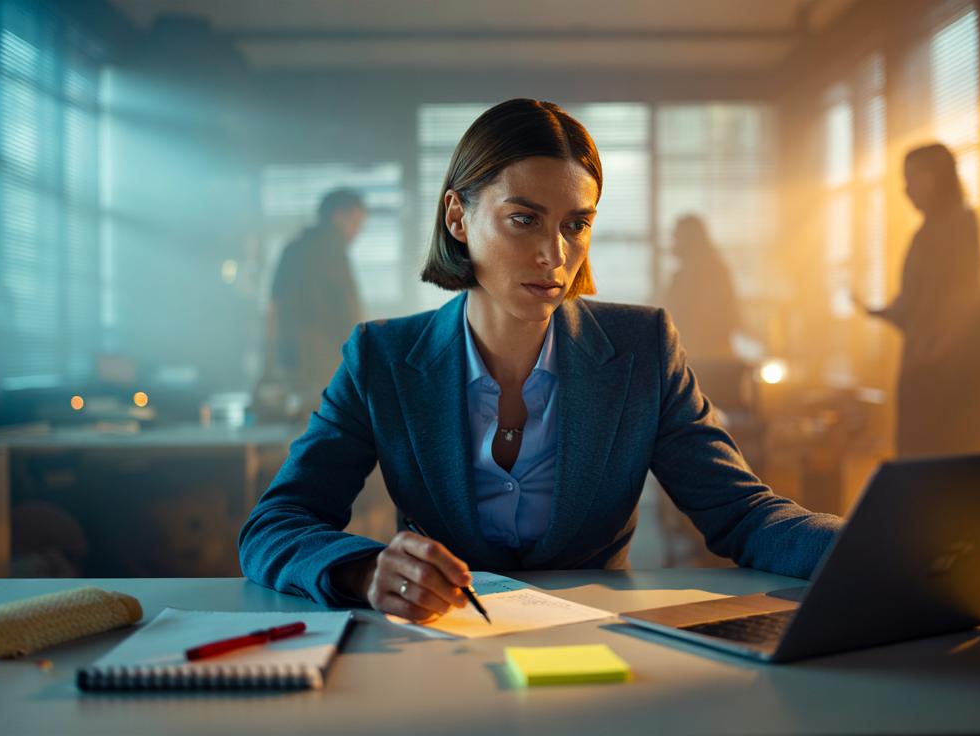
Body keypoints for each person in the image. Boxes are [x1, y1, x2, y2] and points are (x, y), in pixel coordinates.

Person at [240, 99, 842, 622]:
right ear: (458, 218)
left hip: (599, 648)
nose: (555, 254)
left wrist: (863, 544)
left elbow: (742, 513)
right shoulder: (384, 358)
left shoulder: (642, 348)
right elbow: (276, 523)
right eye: (523, 219)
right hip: (437, 649)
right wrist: (366, 570)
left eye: (576, 225)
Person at [858, 143, 980, 458]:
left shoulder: (966, 228)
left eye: (912, 178)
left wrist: (936, 347)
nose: (905, 189)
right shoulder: (924, 235)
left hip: (958, 388)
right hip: (924, 383)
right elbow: (913, 305)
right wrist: (878, 311)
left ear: (935, 177)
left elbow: (968, 301)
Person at [262, 188, 368, 412]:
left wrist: (272, 355)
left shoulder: (292, 249)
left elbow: (273, 306)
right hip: (326, 359)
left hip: (293, 358)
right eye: (356, 223)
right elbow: (348, 311)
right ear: (337, 217)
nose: (358, 232)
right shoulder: (333, 251)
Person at [661, 214, 741, 363]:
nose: (673, 243)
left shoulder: (705, 275)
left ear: (689, 239)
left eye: (676, 237)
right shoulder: (716, 271)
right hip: (709, 356)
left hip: (704, 358)